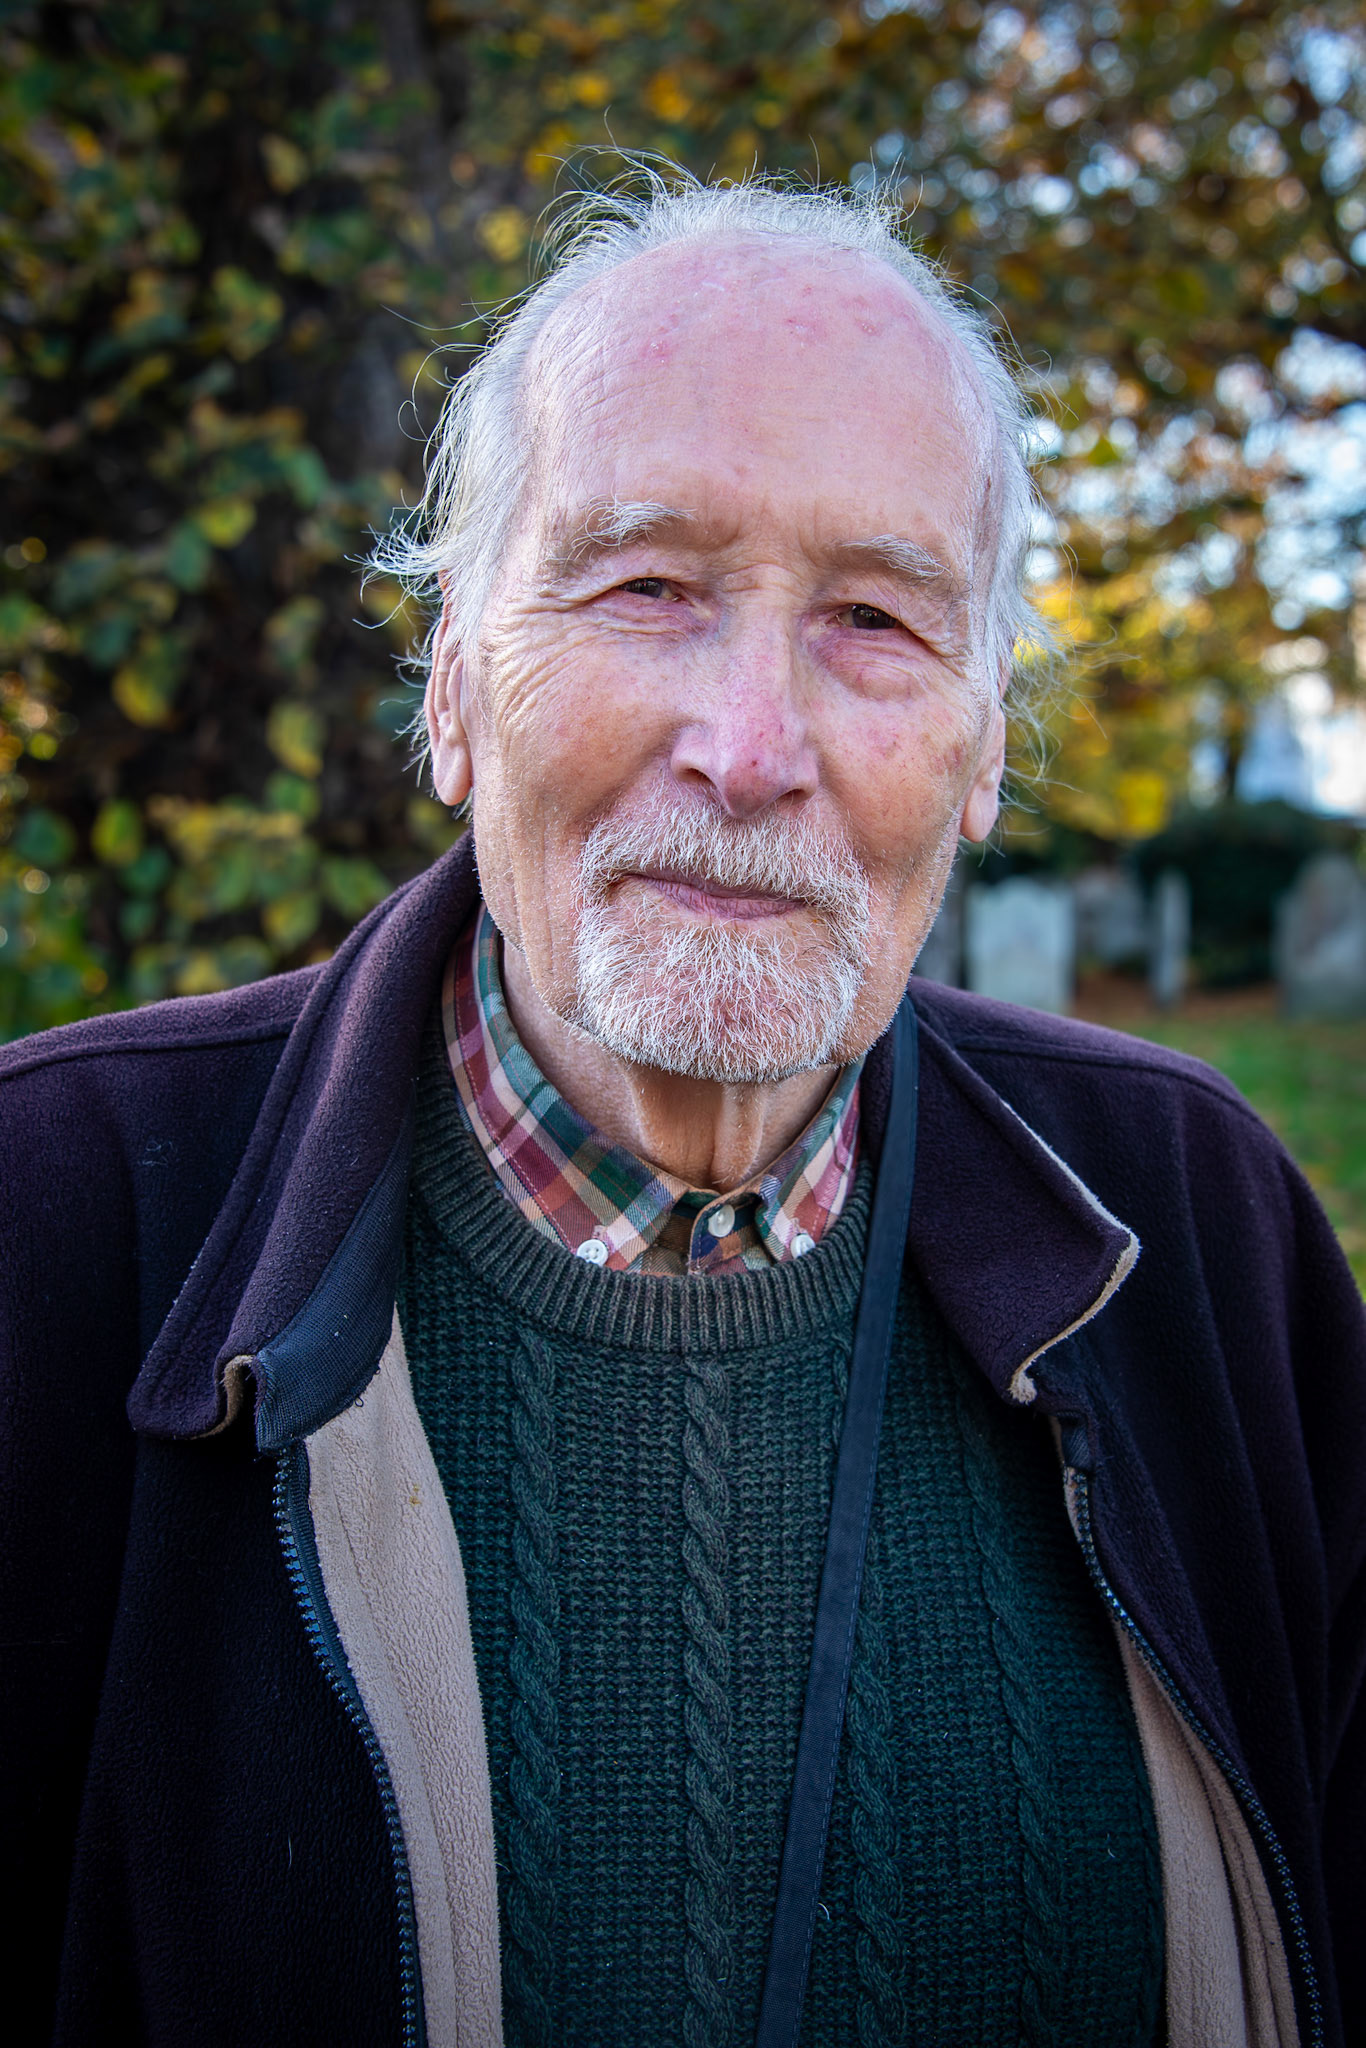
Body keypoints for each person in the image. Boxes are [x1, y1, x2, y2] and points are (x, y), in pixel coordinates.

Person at [2, 175, 1363, 2048]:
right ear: (456, 686)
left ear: (977, 751)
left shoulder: (1196, 1234)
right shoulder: (49, 1225)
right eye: (645, 586)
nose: (751, 747)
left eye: (877, 620)